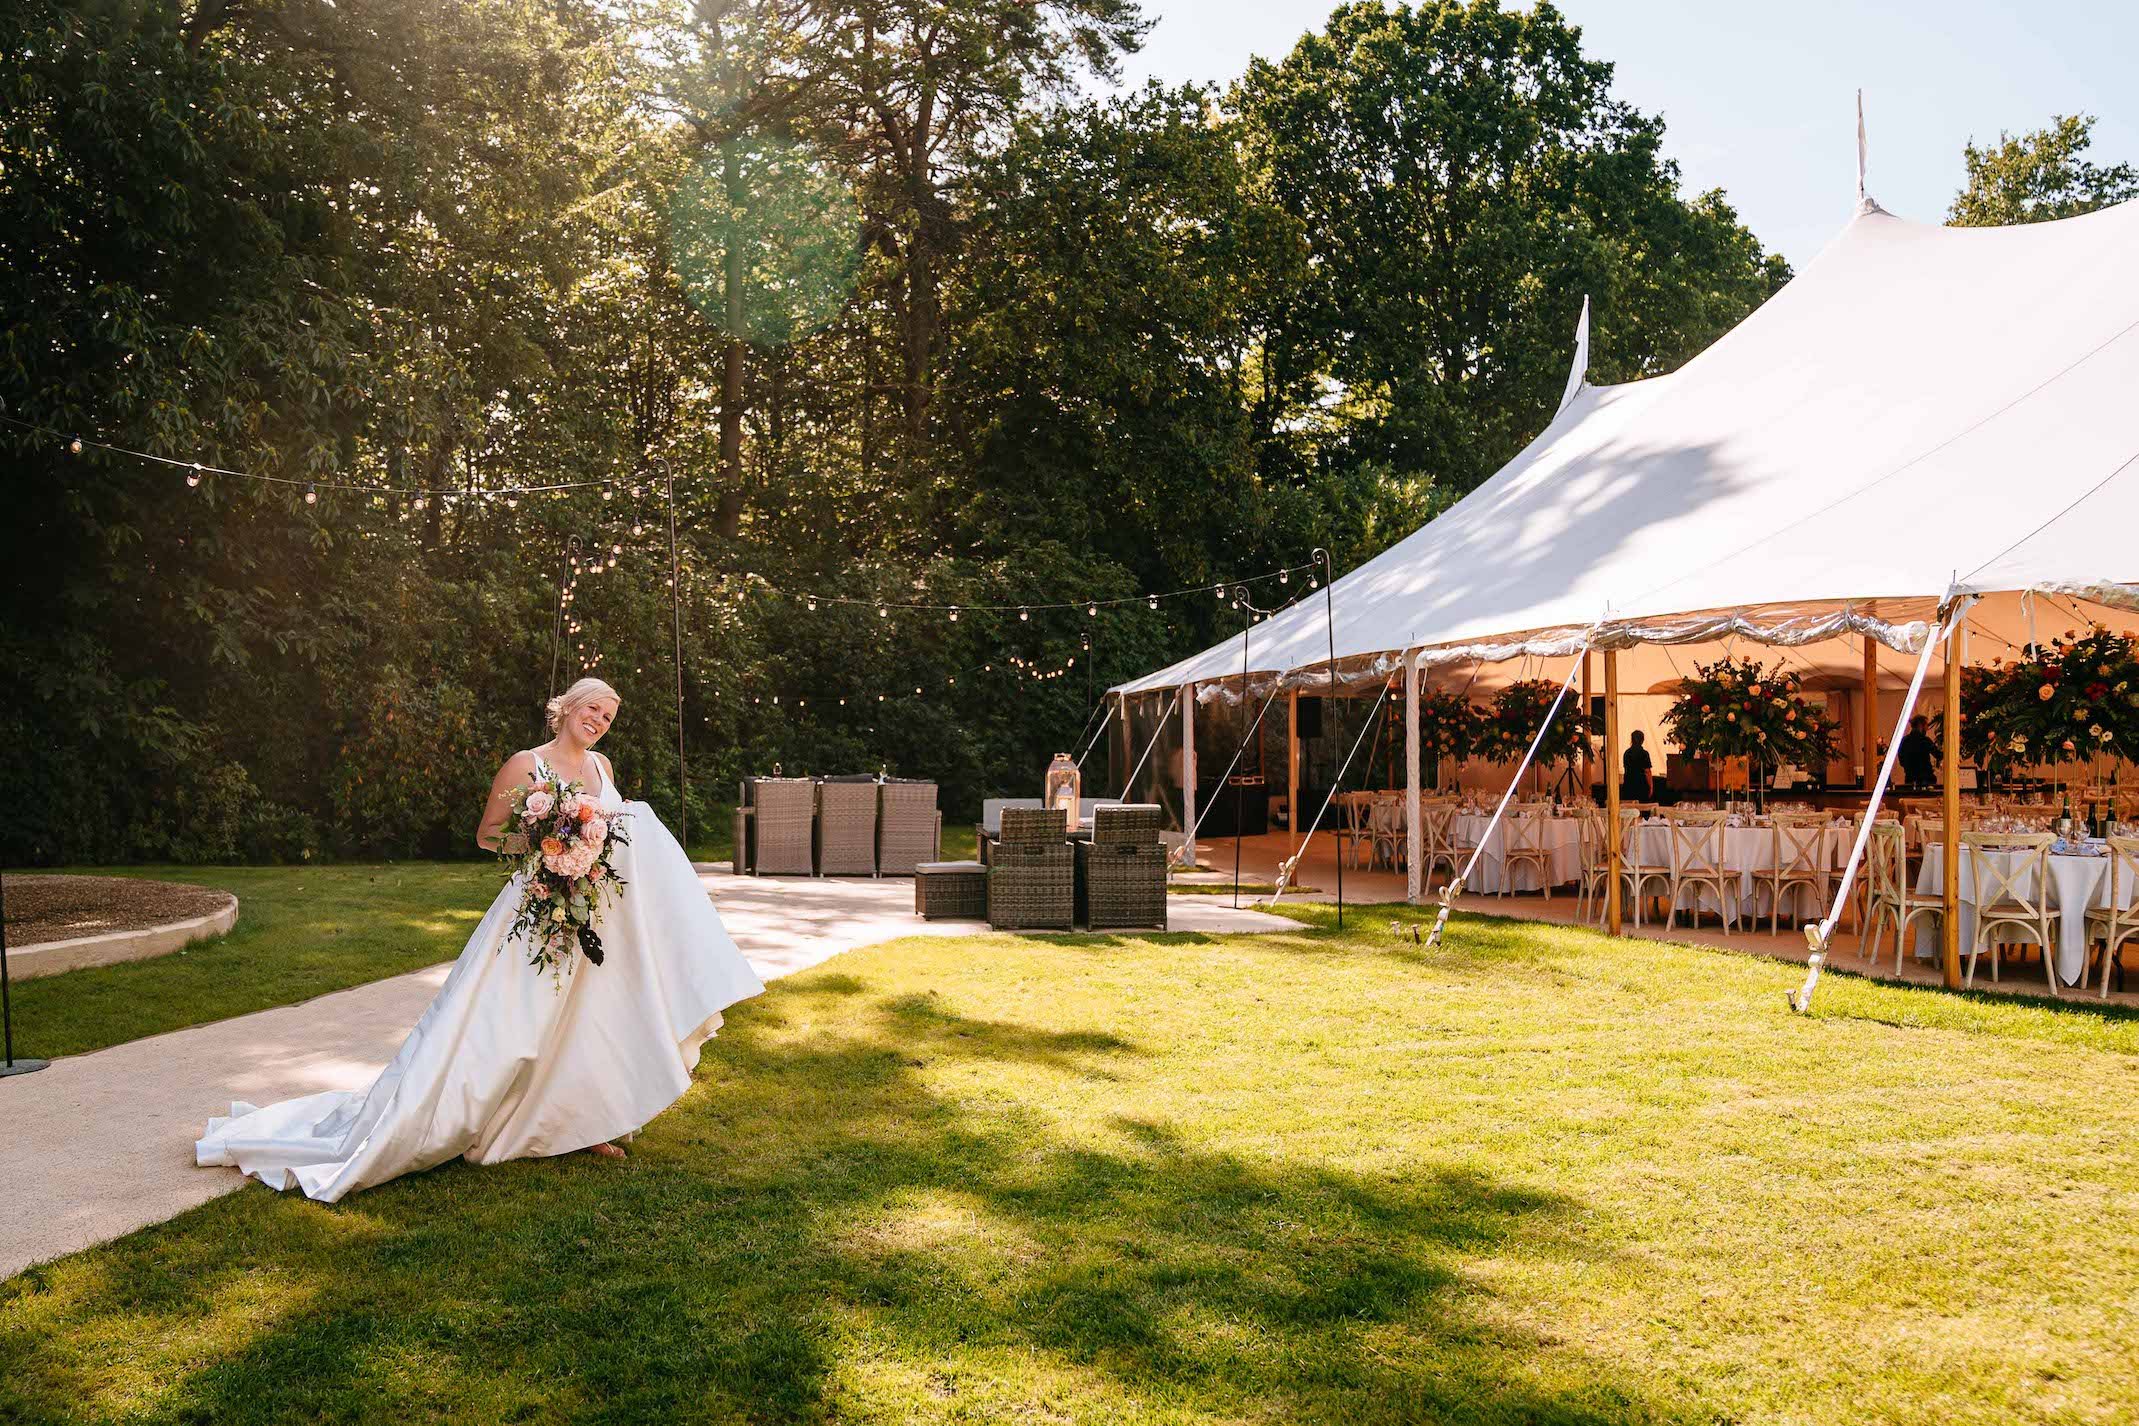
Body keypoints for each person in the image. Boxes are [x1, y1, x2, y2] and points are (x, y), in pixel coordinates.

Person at [197, 677, 764, 1202]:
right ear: (567, 706)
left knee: (594, 1020)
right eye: (593, 708)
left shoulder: (603, 767)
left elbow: (615, 834)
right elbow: (489, 836)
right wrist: (548, 839)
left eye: (610, 716)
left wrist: (584, 847)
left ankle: (587, 1120)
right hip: (537, 908)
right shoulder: (527, 763)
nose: (600, 720)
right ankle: (478, 1115)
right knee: (513, 1021)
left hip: (596, 913)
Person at [1898, 715, 1939, 787]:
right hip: (1926, 780)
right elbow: (1938, 755)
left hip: (1910, 779)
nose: (1927, 728)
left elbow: (1901, 761)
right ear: (1921, 726)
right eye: (1926, 726)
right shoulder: (1925, 740)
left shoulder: (1905, 740)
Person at [1621, 729, 1654, 800]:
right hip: (1641, 786)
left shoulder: (1626, 753)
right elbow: (1647, 771)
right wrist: (1651, 787)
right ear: (1642, 740)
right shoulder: (1644, 753)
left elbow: (1626, 769)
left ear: (1632, 740)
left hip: (1628, 785)